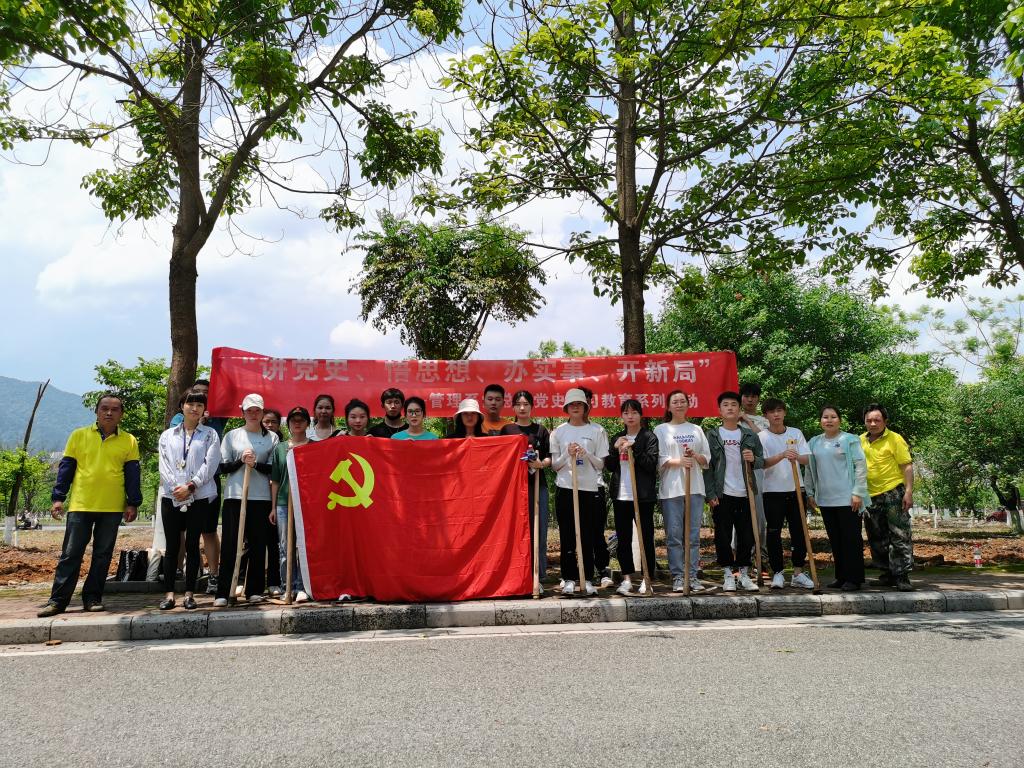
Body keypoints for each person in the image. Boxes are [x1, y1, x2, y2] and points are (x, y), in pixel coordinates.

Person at [37, 394, 142, 617]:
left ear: (121, 414)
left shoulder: (129, 441)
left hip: (112, 507)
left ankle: (92, 598)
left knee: (102, 555)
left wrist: (132, 503)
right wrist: (58, 498)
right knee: (70, 554)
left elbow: (133, 475)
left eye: (115, 409)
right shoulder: (79, 435)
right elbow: (66, 469)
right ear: (96, 411)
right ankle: (57, 601)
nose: (109, 413)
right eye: (104, 408)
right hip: (80, 505)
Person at [156, 391, 221, 610]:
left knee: (193, 545)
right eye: (190, 404)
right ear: (181, 406)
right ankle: (169, 594)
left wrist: (191, 486)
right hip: (172, 496)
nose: (194, 408)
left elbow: (210, 464)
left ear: (204, 410)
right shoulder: (168, 436)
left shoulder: (210, 434)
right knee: (172, 546)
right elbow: (164, 465)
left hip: (199, 496)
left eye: (199, 405)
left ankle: (189, 594)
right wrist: (178, 489)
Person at [213, 393, 279, 606]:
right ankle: (223, 592)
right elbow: (222, 467)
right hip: (235, 495)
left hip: (261, 497)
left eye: (257, 410)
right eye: (249, 410)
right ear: (242, 412)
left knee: (258, 545)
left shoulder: (272, 438)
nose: (253, 414)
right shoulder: (232, 436)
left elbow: (274, 468)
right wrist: (241, 461)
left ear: (262, 412)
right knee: (231, 544)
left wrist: (255, 464)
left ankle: (254, 590)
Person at [550, 388, 609, 596]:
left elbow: (601, 464)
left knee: (587, 537)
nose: (575, 407)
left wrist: (587, 454)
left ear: (585, 407)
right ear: (566, 408)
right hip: (566, 488)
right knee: (567, 536)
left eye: (579, 404)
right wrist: (568, 454)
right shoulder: (558, 432)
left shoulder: (597, 430)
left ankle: (588, 578)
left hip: (589, 489)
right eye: (571, 404)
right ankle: (568, 579)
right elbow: (555, 466)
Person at [704, 390, 764, 592]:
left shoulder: (749, 435)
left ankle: (744, 574)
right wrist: (710, 494)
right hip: (722, 494)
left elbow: (761, 461)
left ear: (739, 409)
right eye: (725, 405)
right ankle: (728, 574)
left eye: (733, 405)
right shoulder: (712, 435)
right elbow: (708, 467)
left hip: (746, 493)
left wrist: (753, 459)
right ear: (719, 410)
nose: (730, 408)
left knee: (747, 536)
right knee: (722, 535)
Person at [805, 405, 869, 591]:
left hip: (848, 498)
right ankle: (841, 576)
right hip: (826, 499)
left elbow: (860, 466)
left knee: (851, 539)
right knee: (835, 539)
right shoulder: (814, 442)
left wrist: (858, 492)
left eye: (833, 417)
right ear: (820, 421)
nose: (829, 420)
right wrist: (810, 492)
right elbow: (809, 468)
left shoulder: (849, 440)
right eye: (825, 417)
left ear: (839, 420)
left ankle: (854, 579)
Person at [171, 378, 225, 594]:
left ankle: (214, 575)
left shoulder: (217, 418)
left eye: (206, 395)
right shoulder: (177, 420)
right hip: (180, 483)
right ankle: (179, 571)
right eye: (197, 393)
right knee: (180, 530)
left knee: (208, 530)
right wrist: (199, 420)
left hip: (209, 482)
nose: (199, 399)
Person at [655, 390, 712, 593]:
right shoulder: (661, 430)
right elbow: (659, 459)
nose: (679, 404)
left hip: (695, 488)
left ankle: (692, 575)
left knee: (693, 536)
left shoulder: (696, 429)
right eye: (675, 402)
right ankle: (678, 576)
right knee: (674, 536)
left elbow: (706, 460)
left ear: (688, 404)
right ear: (668, 407)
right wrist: (679, 461)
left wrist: (694, 455)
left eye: (682, 401)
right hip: (672, 490)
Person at [757, 398, 814, 590]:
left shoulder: (795, 433)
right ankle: (778, 572)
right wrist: (782, 455)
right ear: (765, 415)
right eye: (772, 411)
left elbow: (807, 459)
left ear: (784, 413)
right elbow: (761, 463)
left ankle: (798, 572)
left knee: (799, 531)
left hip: (796, 489)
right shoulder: (762, 437)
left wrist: (796, 456)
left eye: (779, 410)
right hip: (772, 491)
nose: (776, 414)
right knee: (774, 532)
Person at [604, 400, 658, 596]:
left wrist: (634, 448)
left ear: (640, 415)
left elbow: (651, 464)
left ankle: (646, 578)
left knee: (646, 537)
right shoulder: (618, 437)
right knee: (623, 538)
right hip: (621, 495)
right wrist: (615, 449)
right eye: (626, 413)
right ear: (621, 417)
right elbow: (610, 466)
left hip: (643, 496)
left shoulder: (649, 437)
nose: (630, 416)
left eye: (634, 412)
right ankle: (627, 579)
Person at [860, 404, 915, 591]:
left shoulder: (895, 439)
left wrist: (908, 492)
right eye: (869, 420)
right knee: (876, 536)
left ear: (885, 421)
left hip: (893, 492)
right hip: (869, 495)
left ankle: (902, 576)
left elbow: (906, 466)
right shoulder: (859, 441)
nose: (873, 424)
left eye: (877, 420)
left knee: (899, 534)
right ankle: (886, 573)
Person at [501, 391, 552, 581]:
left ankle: (539, 574)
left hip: (537, 485)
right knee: (516, 530)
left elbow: (550, 457)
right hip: (514, 489)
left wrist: (540, 464)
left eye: (526, 404)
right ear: (513, 407)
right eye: (518, 404)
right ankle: (517, 573)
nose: (522, 408)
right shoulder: (507, 430)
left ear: (532, 406)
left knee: (539, 528)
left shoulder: (541, 430)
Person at [270, 406, 311, 603]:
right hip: (284, 503)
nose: (297, 423)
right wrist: (273, 507)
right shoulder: (280, 449)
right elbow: (275, 480)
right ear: (288, 424)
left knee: (304, 546)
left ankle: (303, 586)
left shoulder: (314, 447)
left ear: (307, 423)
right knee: (285, 547)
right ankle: (288, 585)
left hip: (306, 503)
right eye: (294, 420)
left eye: (301, 420)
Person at [739, 381, 769, 570]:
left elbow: (764, 441)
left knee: (759, 515)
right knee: (738, 516)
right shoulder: (732, 418)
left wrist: (747, 421)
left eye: (753, 396)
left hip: (758, 470)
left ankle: (760, 556)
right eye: (746, 396)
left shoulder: (764, 421)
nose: (750, 400)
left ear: (758, 399)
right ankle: (739, 558)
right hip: (736, 473)